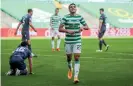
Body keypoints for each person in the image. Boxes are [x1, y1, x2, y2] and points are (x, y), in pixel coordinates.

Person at [59, 3, 88, 84]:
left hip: (77, 40)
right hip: (68, 41)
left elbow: (87, 27)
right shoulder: (65, 17)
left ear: (76, 9)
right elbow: (60, 28)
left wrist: (82, 27)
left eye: (74, 7)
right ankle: (70, 68)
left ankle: (76, 77)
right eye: (71, 7)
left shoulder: (80, 17)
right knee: (69, 58)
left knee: (77, 58)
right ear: (69, 9)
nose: (73, 8)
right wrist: (67, 30)